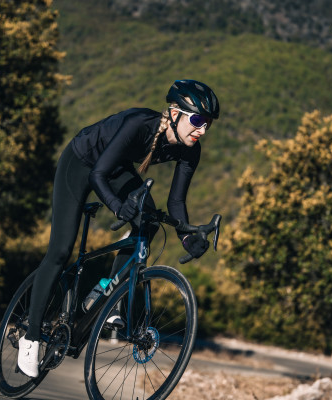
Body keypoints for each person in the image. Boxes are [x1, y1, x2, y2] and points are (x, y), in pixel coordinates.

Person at [17, 79, 220, 378]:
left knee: (149, 221)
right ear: (175, 113)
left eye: (208, 124)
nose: (202, 130)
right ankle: (31, 337)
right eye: (198, 120)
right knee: (60, 251)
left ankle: (108, 292)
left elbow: (176, 201)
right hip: (82, 162)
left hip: (115, 168)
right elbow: (97, 174)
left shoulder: (191, 150)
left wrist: (188, 237)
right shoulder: (140, 124)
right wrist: (116, 206)